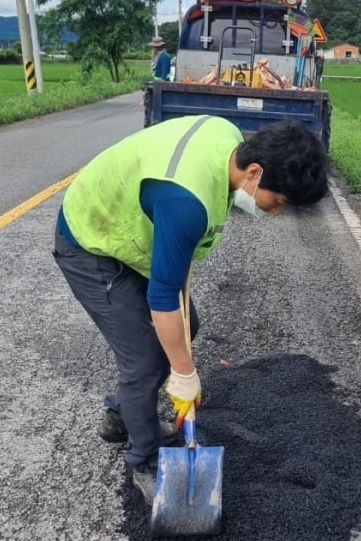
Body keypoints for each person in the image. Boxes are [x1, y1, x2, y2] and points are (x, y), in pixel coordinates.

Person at [53, 117, 328, 502]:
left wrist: (183, 362)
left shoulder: (230, 140)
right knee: (147, 357)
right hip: (92, 242)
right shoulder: (184, 203)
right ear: (254, 171)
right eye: (279, 201)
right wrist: (184, 375)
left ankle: (121, 415)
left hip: (137, 240)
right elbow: (163, 297)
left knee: (186, 328)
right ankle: (145, 460)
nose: (277, 212)